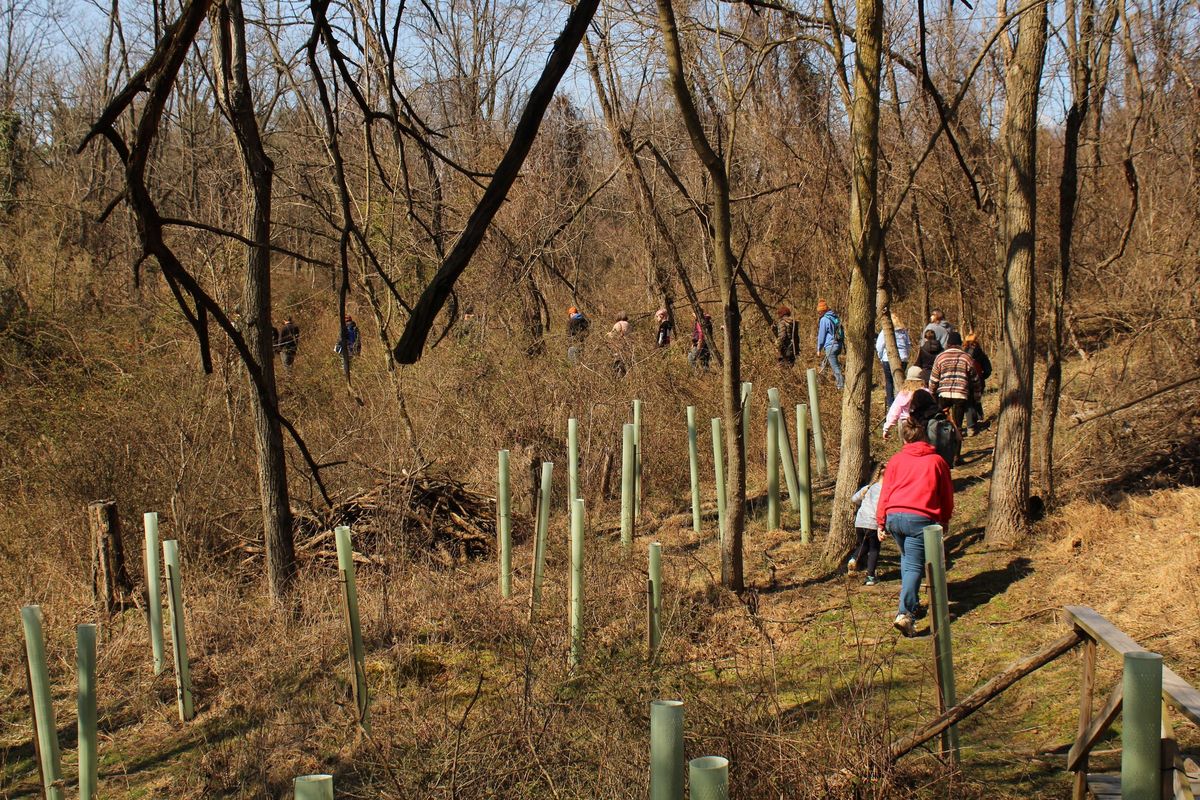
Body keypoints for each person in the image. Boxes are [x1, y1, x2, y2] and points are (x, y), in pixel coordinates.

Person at [877, 415, 954, 637]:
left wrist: (881, 521)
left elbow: (886, 492)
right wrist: (945, 518)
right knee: (913, 566)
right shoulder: (937, 461)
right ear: (925, 437)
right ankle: (905, 614)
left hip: (894, 516)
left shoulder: (895, 461)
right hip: (919, 518)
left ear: (904, 440)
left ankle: (912, 602)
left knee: (908, 561)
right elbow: (946, 494)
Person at [929, 331, 982, 436]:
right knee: (958, 426)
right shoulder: (966, 357)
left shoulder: (940, 357)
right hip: (961, 394)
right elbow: (975, 378)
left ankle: (943, 443)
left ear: (948, 344)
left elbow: (934, 379)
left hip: (944, 394)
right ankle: (957, 448)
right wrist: (977, 396)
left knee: (941, 422)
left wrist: (932, 394)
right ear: (959, 344)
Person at [848, 461, 884, 586]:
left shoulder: (868, 487)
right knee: (874, 549)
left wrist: (862, 501)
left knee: (863, 545)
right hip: (873, 523)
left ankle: (853, 558)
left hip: (860, 521)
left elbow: (854, 499)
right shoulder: (886, 491)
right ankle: (870, 577)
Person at [883, 366, 932, 439]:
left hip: (907, 425)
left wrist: (886, 428)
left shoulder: (903, 393)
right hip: (923, 424)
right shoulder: (926, 393)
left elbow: (894, 411)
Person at [875, 312, 911, 409]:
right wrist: (906, 356)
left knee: (889, 381)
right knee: (900, 381)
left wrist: (880, 356)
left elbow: (879, 346)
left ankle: (891, 405)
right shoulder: (904, 332)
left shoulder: (885, 331)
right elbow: (908, 345)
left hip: (888, 359)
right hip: (903, 359)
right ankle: (901, 403)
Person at [963, 332, 992, 435]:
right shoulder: (981, 353)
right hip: (979, 381)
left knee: (969, 402)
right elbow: (988, 370)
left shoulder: (962, 353)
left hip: (966, 380)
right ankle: (978, 419)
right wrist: (982, 377)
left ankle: (971, 426)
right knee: (976, 400)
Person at [815, 299, 844, 390]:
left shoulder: (824, 319)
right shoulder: (834, 317)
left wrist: (819, 348)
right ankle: (820, 383)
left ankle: (841, 386)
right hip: (838, 344)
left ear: (823, 310)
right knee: (825, 363)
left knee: (835, 367)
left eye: (819, 311)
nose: (819, 313)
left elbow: (821, 336)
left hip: (830, 346)